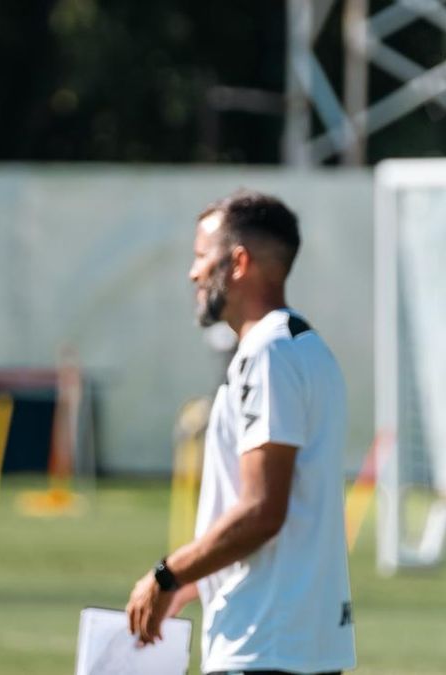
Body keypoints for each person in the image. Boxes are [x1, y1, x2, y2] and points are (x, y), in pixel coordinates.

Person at [125, 190, 357, 674]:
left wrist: (168, 575)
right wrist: (197, 581)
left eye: (200, 256)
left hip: (264, 643)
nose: (193, 273)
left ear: (238, 262)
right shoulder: (307, 348)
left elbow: (262, 510)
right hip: (299, 641)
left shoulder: (268, 354)